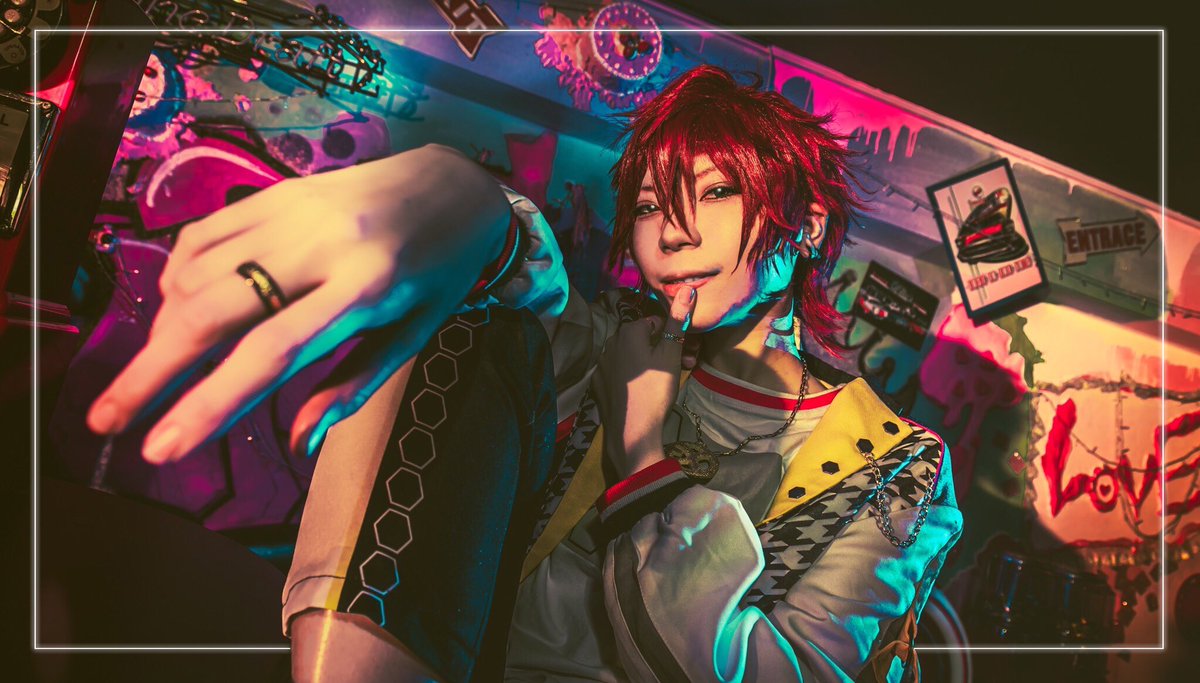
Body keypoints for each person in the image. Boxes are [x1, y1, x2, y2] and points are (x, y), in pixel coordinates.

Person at [87, 65, 961, 681]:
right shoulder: (610, 336)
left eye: (714, 192)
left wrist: (645, 463)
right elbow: (525, 284)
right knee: (452, 319)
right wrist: (463, 201)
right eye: (650, 204)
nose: (672, 231)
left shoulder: (895, 464)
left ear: (807, 223)